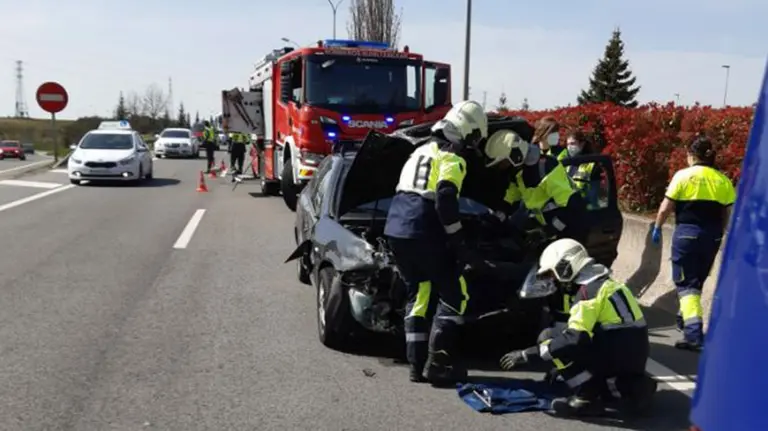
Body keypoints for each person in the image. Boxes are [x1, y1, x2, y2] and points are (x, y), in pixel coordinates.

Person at [384, 100, 489, 385]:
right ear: (469, 133)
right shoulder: (453, 158)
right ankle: (438, 364)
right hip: (424, 229)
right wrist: (459, 243)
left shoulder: (420, 150)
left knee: (419, 293)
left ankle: (416, 365)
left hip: (396, 227)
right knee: (456, 295)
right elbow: (444, 196)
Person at [500, 238, 657, 417]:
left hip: (617, 358)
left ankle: (586, 396)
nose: (554, 279)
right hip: (630, 354)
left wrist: (527, 354)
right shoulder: (606, 283)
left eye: (554, 273)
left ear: (566, 266)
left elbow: (574, 339)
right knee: (559, 337)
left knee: (549, 337)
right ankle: (633, 387)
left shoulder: (587, 292)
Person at [651, 136, 736, 350]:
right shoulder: (722, 180)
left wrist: (657, 227)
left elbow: (665, 208)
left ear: (692, 155)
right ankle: (684, 320)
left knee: (686, 284)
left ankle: (693, 333)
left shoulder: (683, 176)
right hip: (712, 236)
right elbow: (727, 214)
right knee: (697, 280)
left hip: (687, 234)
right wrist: (721, 234)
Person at [483, 129, 588, 246]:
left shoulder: (547, 168)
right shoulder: (519, 173)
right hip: (550, 227)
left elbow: (572, 205)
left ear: (515, 156)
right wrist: (498, 216)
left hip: (570, 230)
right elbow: (512, 197)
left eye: (503, 162)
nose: (501, 167)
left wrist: (548, 231)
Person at [560, 130, 603, 208]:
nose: (569, 147)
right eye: (567, 144)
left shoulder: (592, 165)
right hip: (569, 207)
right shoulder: (567, 163)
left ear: (582, 144)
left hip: (587, 209)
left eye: (572, 143)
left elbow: (593, 195)